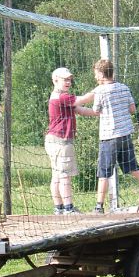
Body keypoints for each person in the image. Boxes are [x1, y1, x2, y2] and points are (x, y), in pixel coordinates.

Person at [91, 58, 139, 213]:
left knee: (104, 172)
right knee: (133, 167)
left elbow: (96, 111)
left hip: (109, 137)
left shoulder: (100, 91)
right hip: (125, 135)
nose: (95, 77)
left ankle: (99, 206)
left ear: (102, 74)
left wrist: (79, 109)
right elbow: (132, 109)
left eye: (96, 74)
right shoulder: (124, 88)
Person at [44, 67, 96, 215]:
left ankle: (58, 208)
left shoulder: (61, 98)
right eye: (64, 79)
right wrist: (101, 88)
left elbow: (81, 110)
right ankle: (68, 208)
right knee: (64, 175)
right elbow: (84, 99)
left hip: (53, 140)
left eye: (69, 79)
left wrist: (98, 112)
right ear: (55, 80)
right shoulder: (62, 97)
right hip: (61, 141)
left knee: (57, 175)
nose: (68, 82)